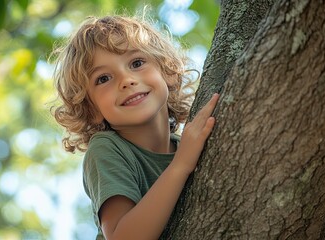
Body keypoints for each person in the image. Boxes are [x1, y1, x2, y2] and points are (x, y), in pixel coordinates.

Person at [52, 14, 219, 240]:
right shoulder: (106, 149)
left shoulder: (186, 145)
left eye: (137, 63)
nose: (126, 80)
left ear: (167, 72)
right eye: (103, 78)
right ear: (90, 109)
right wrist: (181, 165)